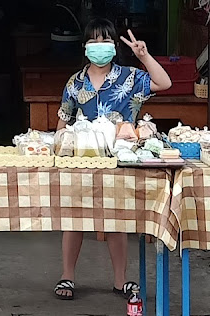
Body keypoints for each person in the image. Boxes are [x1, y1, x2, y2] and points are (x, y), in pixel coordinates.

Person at [53, 18, 172, 301]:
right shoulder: (75, 83)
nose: (100, 46)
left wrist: (144, 56)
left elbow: (164, 82)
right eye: (94, 41)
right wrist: (58, 148)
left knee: (115, 220)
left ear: (114, 46)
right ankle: (67, 276)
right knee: (75, 219)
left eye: (105, 40)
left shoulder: (130, 78)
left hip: (119, 160)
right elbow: (62, 124)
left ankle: (120, 281)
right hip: (81, 161)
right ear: (84, 47)